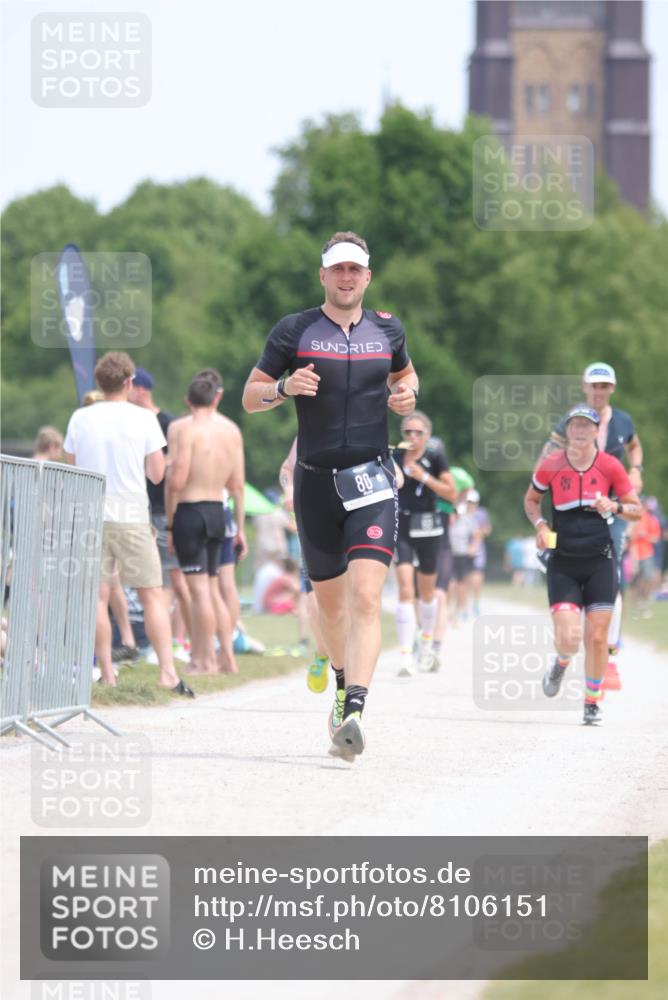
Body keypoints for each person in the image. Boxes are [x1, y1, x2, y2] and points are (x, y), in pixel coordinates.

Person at [242, 230, 418, 760]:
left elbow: (407, 380)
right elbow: (251, 396)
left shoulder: (388, 330)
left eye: (354, 269)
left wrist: (408, 397)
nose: (346, 277)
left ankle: (356, 711)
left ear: (367, 276)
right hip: (315, 483)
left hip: (372, 479)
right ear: (323, 275)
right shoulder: (295, 329)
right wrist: (283, 388)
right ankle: (341, 681)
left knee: (367, 598)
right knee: (331, 608)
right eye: (337, 269)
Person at [63, 351, 193, 696]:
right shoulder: (143, 419)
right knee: (151, 595)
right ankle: (167, 672)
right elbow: (155, 474)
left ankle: (106, 671)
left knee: (97, 596)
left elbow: (71, 467)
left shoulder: (80, 418)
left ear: (99, 383)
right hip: (133, 515)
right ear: (130, 382)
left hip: (91, 515)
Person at [525, 406, 641, 726]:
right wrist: (539, 526)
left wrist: (614, 505)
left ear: (594, 432)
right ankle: (562, 662)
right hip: (563, 563)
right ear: (567, 431)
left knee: (598, 637)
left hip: (600, 561)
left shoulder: (610, 466)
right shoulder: (551, 465)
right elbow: (531, 500)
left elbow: (637, 510)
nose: (579, 431)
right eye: (574, 425)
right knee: (569, 639)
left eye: (585, 426)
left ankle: (591, 701)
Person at [539, 362, 643, 691]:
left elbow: (635, 446)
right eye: (594, 386)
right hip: (573, 507)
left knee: (614, 577)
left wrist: (637, 468)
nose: (599, 392)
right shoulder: (573, 421)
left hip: (612, 508)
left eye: (604, 386)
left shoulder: (623, 420)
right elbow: (549, 454)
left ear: (612, 388)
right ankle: (568, 652)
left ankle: (609, 657)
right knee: (567, 548)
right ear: (585, 387)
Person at [165, 374, 242, 675]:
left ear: (188, 401)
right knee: (211, 588)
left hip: (191, 510)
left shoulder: (188, 431)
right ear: (215, 399)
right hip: (217, 510)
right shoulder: (230, 432)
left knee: (198, 592)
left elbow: (179, 481)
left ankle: (204, 660)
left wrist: (170, 521)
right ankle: (227, 658)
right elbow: (236, 483)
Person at [128, 366, 192, 661]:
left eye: (130, 388)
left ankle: (182, 641)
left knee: (175, 580)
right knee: (159, 581)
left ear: (140, 390)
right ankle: (173, 641)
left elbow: (179, 463)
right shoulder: (133, 422)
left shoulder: (166, 422)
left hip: (165, 511)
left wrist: (153, 464)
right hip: (142, 509)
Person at [392, 412, 455, 676]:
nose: (413, 437)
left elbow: (450, 493)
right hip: (403, 525)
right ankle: (406, 654)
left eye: (418, 433)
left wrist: (424, 477)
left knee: (427, 592)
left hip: (429, 524)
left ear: (427, 436)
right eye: (408, 432)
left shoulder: (435, 457)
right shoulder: (395, 456)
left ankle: (426, 641)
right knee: (406, 590)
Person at [280, 436, 331, 693]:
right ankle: (322, 655)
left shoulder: (363, 420)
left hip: (352, 520)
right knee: (313, 600)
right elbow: (286, 469)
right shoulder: (309, 428)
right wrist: (289, 490)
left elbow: (395, 474)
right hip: (312, 522)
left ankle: (348, 667)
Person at [629, 499, 662, 619]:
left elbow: (655, 538)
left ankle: (643, 604)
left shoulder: (652, 520)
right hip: (635, 554)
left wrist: (646, 536)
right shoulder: (634, 518)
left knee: (648, 580)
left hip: (647, 554)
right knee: (635, 582)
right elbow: (630, 537)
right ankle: (635, 607)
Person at [467, 490, 491, 617]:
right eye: (469, 502)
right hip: (463, 549)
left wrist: (479, 534)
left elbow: (487, 529)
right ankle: (463, 606)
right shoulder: (462, 512)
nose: (471, 504)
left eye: (473, 502)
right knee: (464, 580)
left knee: (477, 579)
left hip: (478, 551)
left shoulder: (481, 513)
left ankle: (475, 603)